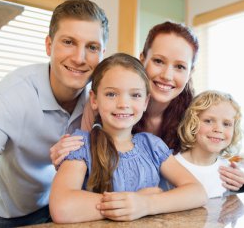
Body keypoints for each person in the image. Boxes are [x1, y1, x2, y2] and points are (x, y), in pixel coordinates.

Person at [51, 21, 244, 191]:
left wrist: (229, 173)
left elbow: (206, 158)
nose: (167, 75)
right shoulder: (104, 107)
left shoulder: (193, 114)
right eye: (159, 61)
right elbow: (84, 162)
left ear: (191, 72)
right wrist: (65, 154)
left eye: (180, 67)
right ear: (142, 59)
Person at [0, 0, 109, 227]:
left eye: (92, 47)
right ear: (49, 45)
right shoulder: (11, 95)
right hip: (6, 213)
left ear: (102, 53)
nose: (79, 58)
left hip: (61, 207)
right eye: (69, 42)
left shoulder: (101, 100)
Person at [49, 53, 207, 223]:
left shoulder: (151, 146)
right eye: (111, 94)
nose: (123, 104)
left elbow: (197, 192)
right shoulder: (80, 145)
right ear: (94, 100)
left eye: (135, 95)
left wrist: (146, 204)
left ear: (146, 102)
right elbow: (62, 207)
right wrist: (134, 200)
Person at [176, 90, 244, 198]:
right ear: (192, 123)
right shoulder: (173, 165)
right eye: (208, 121)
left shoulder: (227, 169)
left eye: (226, 124)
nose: (218, 129)